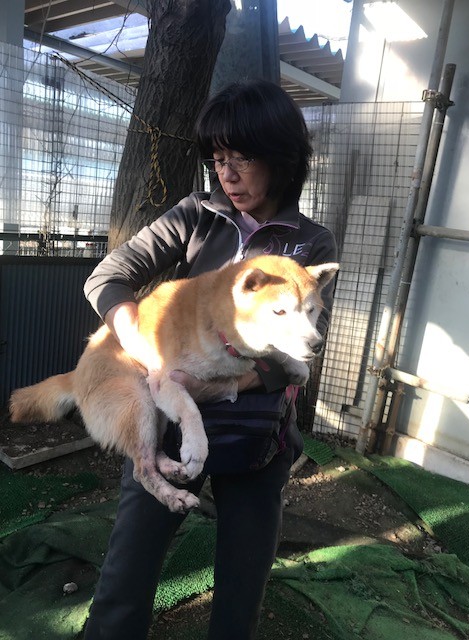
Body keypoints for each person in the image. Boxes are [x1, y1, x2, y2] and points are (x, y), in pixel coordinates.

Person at [82, 78, 337, 640]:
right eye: (219, 160)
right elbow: (109, 275)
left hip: (257, 435)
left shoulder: (311, 245)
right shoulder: (197, 214)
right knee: (126, 576)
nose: (228, 174)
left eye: (242, 158)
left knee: (242, 587)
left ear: (281, 157)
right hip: (171, 417)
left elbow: (296, 352)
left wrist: (223, 386)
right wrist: (137, 342)